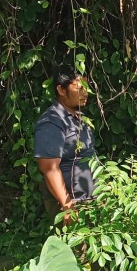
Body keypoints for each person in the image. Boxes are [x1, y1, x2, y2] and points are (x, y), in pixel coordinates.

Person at [34, 72, 96, 226]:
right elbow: (49, 168)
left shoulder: (78, 117)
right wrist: (67, 205)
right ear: (61, 90)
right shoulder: (52, 122)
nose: (85, 93)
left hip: (89, 201)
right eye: (79, 88)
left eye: (87, 88)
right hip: (72, 202)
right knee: (77, 250)